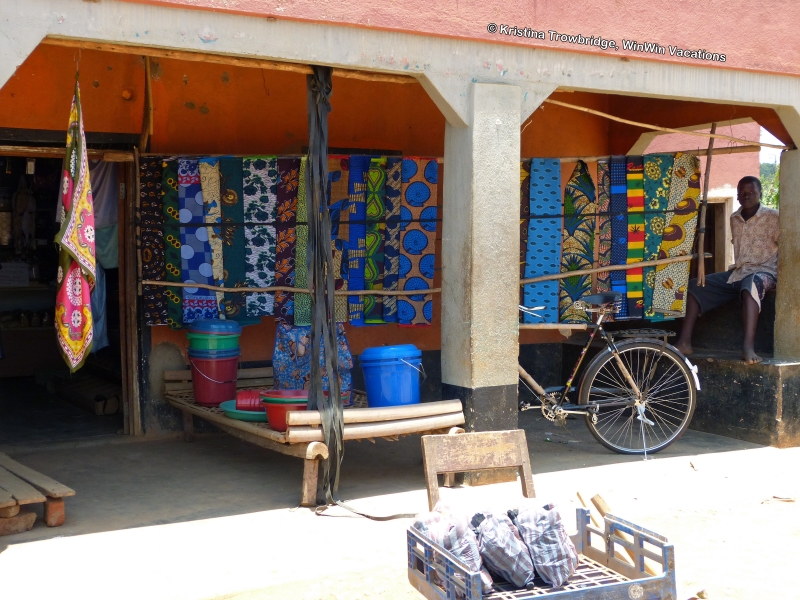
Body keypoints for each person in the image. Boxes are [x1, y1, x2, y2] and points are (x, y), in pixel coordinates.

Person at [674, 175, 778, 364]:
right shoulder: (734, 218)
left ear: (760, 193)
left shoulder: (774, 217)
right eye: (742, 193)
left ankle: (748, 347)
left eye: (751, 192)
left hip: (765, 271)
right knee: (695, 286)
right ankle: (684, 342)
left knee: (751, 285)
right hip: (738, 272)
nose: (746, 196)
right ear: (737, 196)